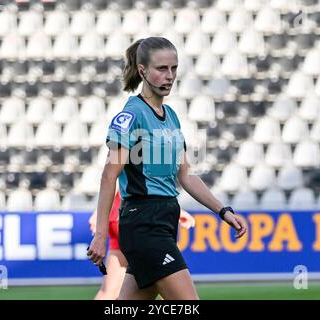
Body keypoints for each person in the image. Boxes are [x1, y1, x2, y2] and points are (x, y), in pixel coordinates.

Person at [87, 37, 247, 300]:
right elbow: (109, 176)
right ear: (142, 71)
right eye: (162, 69)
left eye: (174, 68)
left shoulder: (171, 116)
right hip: (143, 222)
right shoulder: (132, 115)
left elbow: (185, 175)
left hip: (165, 219)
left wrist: (223, 210)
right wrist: (101, 234)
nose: (170, 75)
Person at [88, 181, 195, 300]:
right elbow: (116, 178)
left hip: (121, 217)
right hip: (139, 218)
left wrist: (98, 215)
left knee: (109, 292)